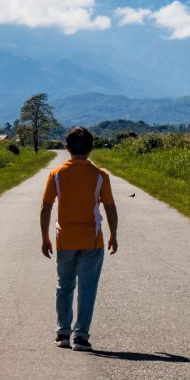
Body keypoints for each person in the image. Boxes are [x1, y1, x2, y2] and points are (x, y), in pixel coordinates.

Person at [40, 126, 118, 351]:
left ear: (67, 148)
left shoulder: (57, 174)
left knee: (64, 285)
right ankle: (80, 336)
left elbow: (46, 207)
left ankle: (63, 332)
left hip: (65, 240)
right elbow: (110, 207)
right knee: (87, 288)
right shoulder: (100, 175)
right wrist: (113, 233)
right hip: (92, 241)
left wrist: (44, 236)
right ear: (91, 148)